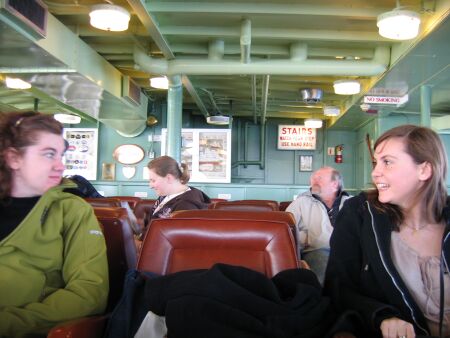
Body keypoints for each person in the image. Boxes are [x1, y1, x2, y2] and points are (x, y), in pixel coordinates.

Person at [325, 125, 450, 338]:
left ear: (424, 170)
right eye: (376, 162)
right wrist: (381, 315)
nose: (375, 172)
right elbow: (338, 289)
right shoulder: (360, 214)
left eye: (387, 162)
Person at [0, 112, 109, 337]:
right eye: (49, 155)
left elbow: (88, 294)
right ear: (13, 158)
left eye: (61, 155)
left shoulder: (71, 210)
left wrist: (9, 324)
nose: (60, 166)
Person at [286, 166, 351, 284]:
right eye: (313, 178)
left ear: (335, 184)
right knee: (323, 263)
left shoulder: (352, 203)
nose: (313, 181)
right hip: (316, 250)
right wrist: (306, 238)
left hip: (349, 252)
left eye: (319, 178)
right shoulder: (301, 202)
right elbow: (285, 229)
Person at [143, 155, 211, 227]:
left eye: (153, 180)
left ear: (169, 178)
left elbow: (177, 237)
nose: (150, 186)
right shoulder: (166, 195)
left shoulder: (187, 206)